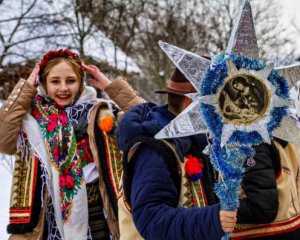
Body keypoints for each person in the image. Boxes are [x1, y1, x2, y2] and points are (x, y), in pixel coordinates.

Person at [0, 49, 144, 239]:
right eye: (54, 81)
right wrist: (26, 88)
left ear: (81, 82)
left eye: (71, 80)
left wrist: (112, 88)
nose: (63, 88)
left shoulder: (101, 112)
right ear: (42, 82)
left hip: (101, 215)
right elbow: (3, 140)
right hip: (46, 221)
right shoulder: (30, 120)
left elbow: (146, 123)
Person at [117, 68, 237, 240]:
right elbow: (151, 219)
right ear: (190, 103)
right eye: (217, 103)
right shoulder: (154, 151)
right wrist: (212, 220)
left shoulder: (193, 140)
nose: (224, 112)